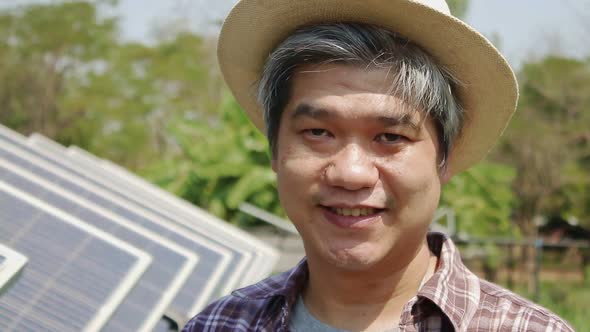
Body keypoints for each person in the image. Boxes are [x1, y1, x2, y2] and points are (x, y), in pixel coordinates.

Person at [183, 0, 574, 331]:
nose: (351, 173)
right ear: (275, 150)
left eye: (390, 138)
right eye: (318, 132)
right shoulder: (220, 323)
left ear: (444, 159)